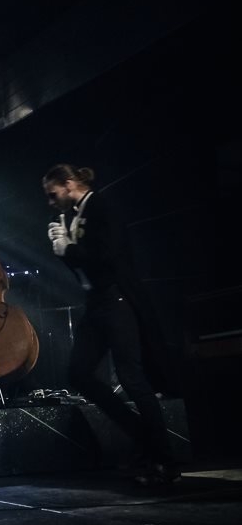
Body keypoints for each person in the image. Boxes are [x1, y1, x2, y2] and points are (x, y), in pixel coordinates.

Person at [42, 163, 181, 486]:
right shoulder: (72, 214)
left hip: (116, 299)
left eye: (53, 194)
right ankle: (143, 438)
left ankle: (165, 460)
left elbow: (107, 258)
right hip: (96, 302)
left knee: (132, 377)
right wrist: (63, 251)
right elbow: (82, 267)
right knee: (78, 373)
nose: (51, 202)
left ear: (68, 184)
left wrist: (69, 248)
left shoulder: (101, 206)